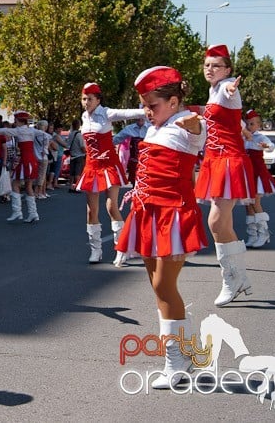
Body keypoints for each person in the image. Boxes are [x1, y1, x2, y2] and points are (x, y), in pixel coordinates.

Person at [116, 66, 207, 389]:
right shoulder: (156, 126)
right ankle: (186, 347)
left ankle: (176, 361)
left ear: (173, 101)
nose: (146, 111)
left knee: (164, 286)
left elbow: (199, 130)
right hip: (147, 213)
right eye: (143, 104)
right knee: (158, 288)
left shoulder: (188, 125)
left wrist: (192, 121)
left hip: (174, 216)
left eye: (152, 105)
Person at [194, 44, 256, 306]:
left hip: (229, 160)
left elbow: (231, 91)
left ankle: (233, 279)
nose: (210, 69)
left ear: (228, 70)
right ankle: (237, 278)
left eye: (215, 65)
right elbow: (230, 119)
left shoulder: (227, 87)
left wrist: (232, 86)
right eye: (207, 65)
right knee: (224, 224)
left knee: (216, 223)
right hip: (214, 159)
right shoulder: (213, 91)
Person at [77, 83, 144, 265]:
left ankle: (120, 248)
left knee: (111, 206)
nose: (86, 102)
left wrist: (149, 108)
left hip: (109, 165)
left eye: (90, 99)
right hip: (92, 166)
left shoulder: (106, 113)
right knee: (91, 210)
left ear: (98, 100)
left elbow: (128, 113)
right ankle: (95, 250)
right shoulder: (84, 116)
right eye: (84, 99)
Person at [0, 111, 45, 223]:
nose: (14, 122)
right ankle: (33, 213)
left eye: (15, 120)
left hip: (25, 160)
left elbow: (4, 130)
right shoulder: (31, 130)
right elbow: (46, 136)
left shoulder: (19, 130)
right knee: (28, 186)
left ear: (20, 121)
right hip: (31, 159)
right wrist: (44, 149)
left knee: (15, 183)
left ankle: (17, 212)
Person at [242, 109, 275, 248]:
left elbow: (271, 146)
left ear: (258, 125)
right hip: (246, 174)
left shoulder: (260, 137)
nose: (249, 126)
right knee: (248, 204)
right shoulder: (243, 137)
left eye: (252, 124)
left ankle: (264, 232)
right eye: (247, 123)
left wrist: (266, 146)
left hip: (257, 174)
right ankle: (253, 234)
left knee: (255, 202)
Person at [113, 117, 150, 187]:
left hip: (148, 161)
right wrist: (104, 145)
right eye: (138, 116)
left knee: (147, 182)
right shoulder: (129, 128)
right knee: (134, 182)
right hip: (134, 161)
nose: (140, 119)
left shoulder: (151, 128)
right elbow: (117, 138)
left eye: (141, 116)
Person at [33, 119, 52, 199]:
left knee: (36, 175)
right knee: (42, 176)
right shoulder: (46, 135)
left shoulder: (34, 134)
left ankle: (35, 192)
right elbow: (46, 147)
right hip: (43, 157)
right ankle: (39, 192)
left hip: (35, 156)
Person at [66, 119, 85, 190]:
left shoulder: (70, 134)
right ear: (78, 125)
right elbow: (82, 146)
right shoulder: (79, 135)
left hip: (72, 155)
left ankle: (71, 186)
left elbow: (68, 144)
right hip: (79, 155)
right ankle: (77, 187)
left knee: (72, 172)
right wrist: (86, 152)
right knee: (78, 172)